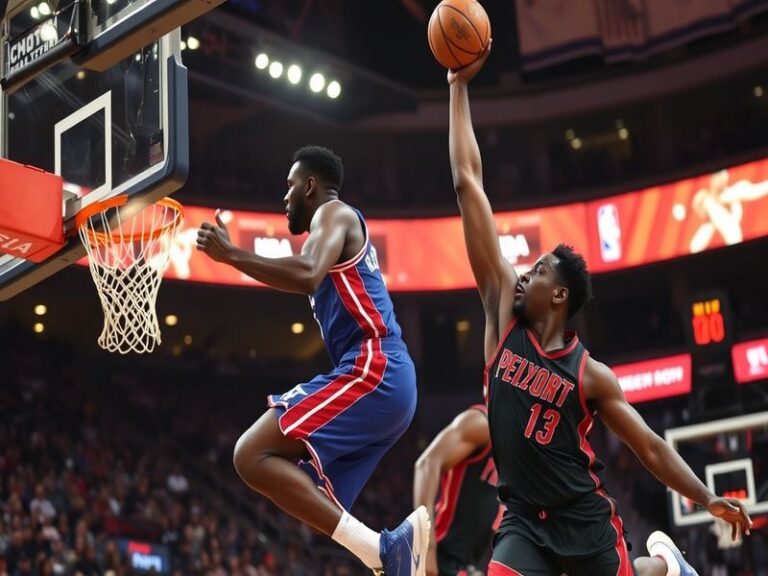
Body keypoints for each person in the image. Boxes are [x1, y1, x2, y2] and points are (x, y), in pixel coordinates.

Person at [446, 42, 752, 576]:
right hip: (521, 520)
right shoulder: (501, 313)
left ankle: (665, 565)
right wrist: (457, 86)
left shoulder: (591, 376)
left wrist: (706, 499)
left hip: (584, 521)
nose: (523, 273)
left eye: (538, 270)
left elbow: (651, 449)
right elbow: (467, 183)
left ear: (559, 296)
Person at [196, 145, 429, 576]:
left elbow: (306, 273)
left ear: (310, 186)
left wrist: (231, 256)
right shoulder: (333, 234)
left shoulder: (333, 213)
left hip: (375, 366)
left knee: (250, 454)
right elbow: (305, 276)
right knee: (307, 496)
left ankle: (383, 549)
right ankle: (383, 554)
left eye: (289, 187)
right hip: (388, 382)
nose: (284, 197)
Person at [414, 404, 503, 576]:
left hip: (465, 564)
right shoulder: (482, 423)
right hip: (439, 552)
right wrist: (427, 547)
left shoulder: (520, 454)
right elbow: (426, 464)